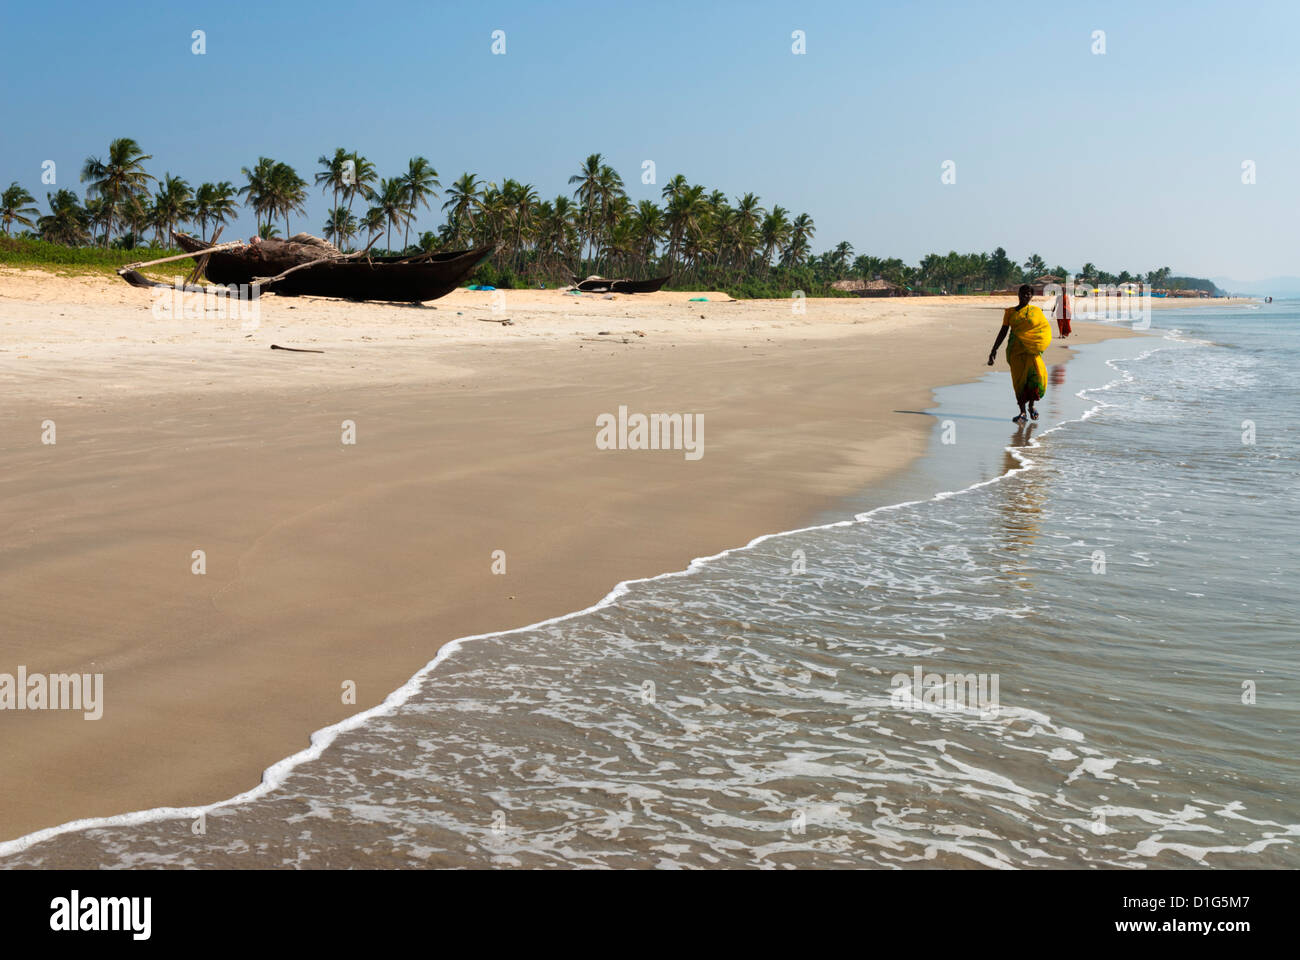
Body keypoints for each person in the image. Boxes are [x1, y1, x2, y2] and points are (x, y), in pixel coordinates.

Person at [988, 283, 1053, 423]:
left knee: (1035, 377)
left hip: (1031, 351)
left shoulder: (1036, 311)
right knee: (1019, 381)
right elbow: (1003, 331)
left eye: (1029, 294)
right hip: (1015, 351)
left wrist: (1039, 343)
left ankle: (1031, 406)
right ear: (1018, 295)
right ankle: (1022, 412)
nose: (1026, 296)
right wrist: (994, 349)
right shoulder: (1010, 312)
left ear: (1032, 296)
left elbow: (1044, 329)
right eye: (1023, 293)